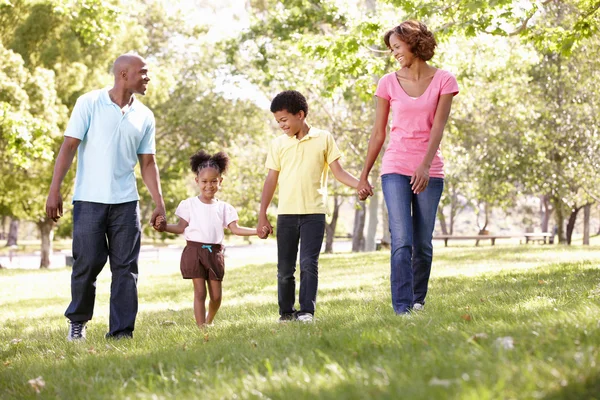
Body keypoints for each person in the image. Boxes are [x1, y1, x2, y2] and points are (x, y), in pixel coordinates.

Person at [45, 54, 166, 340]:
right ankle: (78, 321)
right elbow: (69, 147)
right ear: (123, 74)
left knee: (126, 268)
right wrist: (54, 190)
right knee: (86, 263)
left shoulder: (145, 116)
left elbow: (148, 163)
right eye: (143, 73)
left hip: (126, 203)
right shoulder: (89, 102)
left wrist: (159, 203)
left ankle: (122, 332)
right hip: (89, 200)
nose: (147, 78)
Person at [357, 20, 459, 315]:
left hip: (430, 169)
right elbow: (378, 133)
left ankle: (417, 300)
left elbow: (438, 127)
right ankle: (402, 308)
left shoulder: (444, 80)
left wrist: (425, 166)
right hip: (395, 167)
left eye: (397, 47)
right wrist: (363, 175)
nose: (395, 54)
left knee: (423, 243)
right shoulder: (387, 83)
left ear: (414, 42)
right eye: (391, 49)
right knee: (401, 240)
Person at [258, 90, 361, 323]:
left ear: (300, 114)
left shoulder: (323, 138)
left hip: (314, 213)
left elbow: (339, 172)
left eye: (284, 120)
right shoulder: (278, 144)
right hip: (286, 214)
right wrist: (262, 214)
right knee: (285, 269)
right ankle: (286, 312)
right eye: (277, 121)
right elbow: (271, 180)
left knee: (308, 264)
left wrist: (359, 185)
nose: (281, 125)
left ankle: (306, 312)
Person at [154, 151, 259, 328]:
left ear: (220, 181)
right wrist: (163, 226)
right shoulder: (189, 204)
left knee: (216, 296)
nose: (209, 186)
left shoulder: (225, 208)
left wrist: (257, 231)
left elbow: (235, 229)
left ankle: (209, 320)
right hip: (194, 252)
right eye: (204, 181)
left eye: (213, 181)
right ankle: (201, 326)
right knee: (200, 292)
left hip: (215, 253)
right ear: (197, 181)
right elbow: (180, 227)